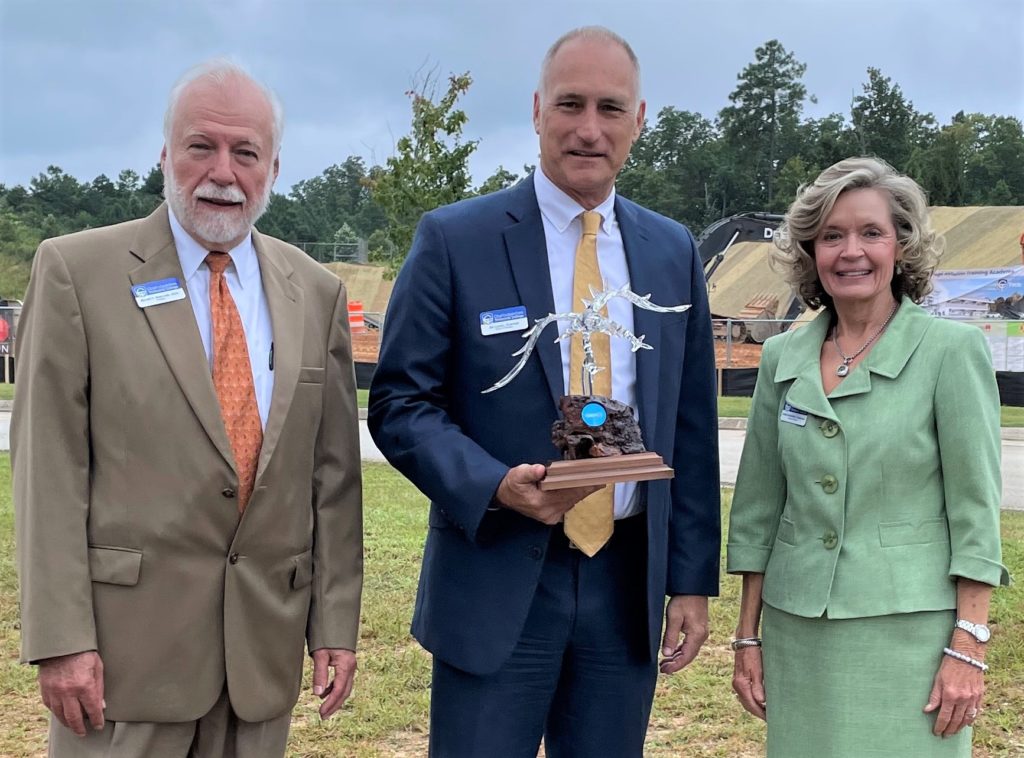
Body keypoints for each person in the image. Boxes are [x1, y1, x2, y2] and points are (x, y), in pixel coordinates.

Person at [368, 25, 720, 757]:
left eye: (610, 108)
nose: (589, 129)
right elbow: (401, 403)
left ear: (640, 119)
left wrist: (689, 580)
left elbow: (689, 424)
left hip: (624, 584)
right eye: (570, 104)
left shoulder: (670, 250)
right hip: (498, 576)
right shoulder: (454, 239)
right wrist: (495, 484)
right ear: (536, 111)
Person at [12, 60, 363, 758]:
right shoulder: (76, 273)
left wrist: (334, 622)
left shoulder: (315, 293)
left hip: (260, 656)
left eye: (246, 152)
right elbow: (46, 472)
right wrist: (61, 641)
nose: (222, 172)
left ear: (274, 168)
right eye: (201, 146)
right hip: (123, 661)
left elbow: (332, 477)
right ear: (166, 154)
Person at [727, 157, 1009, 757]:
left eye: (870, 233)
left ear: (901, 247)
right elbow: (757, 508)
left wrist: (970, 643)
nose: (850, 251)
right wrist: (747, 638)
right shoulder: (781, 357)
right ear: (811, 252)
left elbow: (976, 513)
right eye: (831, 235)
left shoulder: (950, 352)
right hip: (797, 633)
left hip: (913, 638)